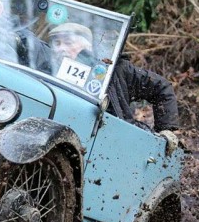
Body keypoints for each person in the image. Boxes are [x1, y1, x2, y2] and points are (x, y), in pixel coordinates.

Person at [46, 22, 180, 148]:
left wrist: (166, 130)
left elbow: (161, 87)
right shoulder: (44, 69)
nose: (61, 49)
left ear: (87, 46)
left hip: (114, 141)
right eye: (57, 43)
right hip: (56, 137)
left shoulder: (116, 70)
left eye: (68, 43)